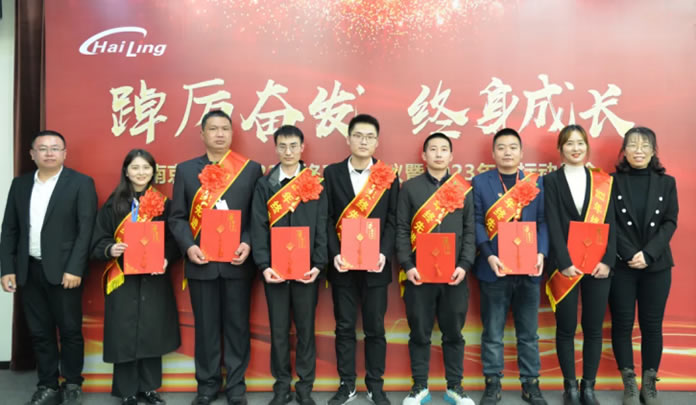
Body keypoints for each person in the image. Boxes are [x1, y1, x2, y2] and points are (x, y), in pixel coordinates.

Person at [168, 110, 263, 405]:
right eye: (213, 129)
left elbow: (257, 216)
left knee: (237, 327)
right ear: (202, 134)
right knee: (206, 328)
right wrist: (188, 247)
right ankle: (207, 386)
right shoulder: (186, 170)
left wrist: (248, 242)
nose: (219, 134)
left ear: (232, 133)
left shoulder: (250, 169)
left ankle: (235, 386)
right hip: (201, 262)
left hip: (237, 263)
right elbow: (177, 217)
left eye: (225, 128)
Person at [0, 130, 97, 405]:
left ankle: (73, 383)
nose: (49, 153)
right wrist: (7, 268)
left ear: (65, 153)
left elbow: (86, 230)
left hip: (65, 272)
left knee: (70, 331)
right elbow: (10, 229)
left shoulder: (80, 183)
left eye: (55, 148)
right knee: (40, 332)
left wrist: (75, 268)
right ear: (32, 154)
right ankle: (48, 385)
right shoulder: (20, 185)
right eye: (43, 148)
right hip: (28, 270)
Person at [90, 149, 182, 405]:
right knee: (125, 333)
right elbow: (97, 240)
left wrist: (166, 258)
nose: (141, 173)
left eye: (146, 168)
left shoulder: (163, 204)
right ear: (126, 171)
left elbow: (174, 240)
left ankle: (149, 388)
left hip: (154, 277)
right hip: (122, 277)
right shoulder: (113, 205)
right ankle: (127, 391)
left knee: (152, 331)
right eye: (135, 168)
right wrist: (111, 248)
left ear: (153, 172)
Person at [323, 114, 399, 405]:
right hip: (342, 264)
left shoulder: (387, 175)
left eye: (369, 137)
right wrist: (334, 254)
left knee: (375, 328)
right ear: (348, 139)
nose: (363, 141)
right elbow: (326, 218)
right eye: (358, 135)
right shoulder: (332, 174)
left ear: (377, 142)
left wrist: (383, 253)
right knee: (344, 327)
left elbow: (393, 219)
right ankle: (347, 384)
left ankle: (375, 385)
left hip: (375, 265)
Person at [250, 125, 328, 405]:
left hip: (307, 272)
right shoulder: (265, 184)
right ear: (275, 148)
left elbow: (322, 225)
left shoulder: (315, 183)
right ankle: (281, 385)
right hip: (276, 272)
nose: (288, 151)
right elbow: (258, 227)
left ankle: (305, 386)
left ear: (302, 148)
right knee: (279, 330)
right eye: (282, 146)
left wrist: (318, 264)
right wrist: (264, 265)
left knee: (306, 331)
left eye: (293, 145)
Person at [395, 133, 475, 405]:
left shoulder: (464, 188)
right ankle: (419, 387)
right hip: (419, 275)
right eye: (433, 149)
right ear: (424, 155)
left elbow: (470, 231)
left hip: (455, 276)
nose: (438, 154)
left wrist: (464, 265)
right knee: (419, 332)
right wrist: (408, 265)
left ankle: (455, 387)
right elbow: (401, 229)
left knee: (454, 333)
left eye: (444, 150)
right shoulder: (410, 188)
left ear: (451, 156)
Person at [472, 128, 548, 405]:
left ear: (521, 152)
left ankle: (531, 384)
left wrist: (541, 253)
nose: (507, 152)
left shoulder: (535, 183)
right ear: (493, 153)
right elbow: (476, 221)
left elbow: (543, 221)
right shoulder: (480, 182)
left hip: (528, 270)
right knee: (493, 333)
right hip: (494, 268)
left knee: (528, 333)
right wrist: (488, 255)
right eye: (501, 147)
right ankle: (492, 383)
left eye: (512, 147)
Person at [543, 125, 616, 405]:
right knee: (566, 327)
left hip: (598, 267)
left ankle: (588, 387)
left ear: (587, 146)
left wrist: (608, 261)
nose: (575, 148)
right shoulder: (550, 181)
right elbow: (552, 222)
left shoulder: (603, 182)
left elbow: (611, 224)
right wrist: (563, 262)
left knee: (593, 328)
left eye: (580, 143)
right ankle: (570, 388)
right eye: (569, 143)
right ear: (560, 149)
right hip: (565, 266)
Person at [609, 127, 678, 405]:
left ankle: (649, 385)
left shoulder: (667, 182)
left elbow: (670, 222)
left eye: (645, 145)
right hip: (622, 264)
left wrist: (648, 254)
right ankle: (629, 383)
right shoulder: (611, 182)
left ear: (653, 150)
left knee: (651, 325)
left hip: (656, 264)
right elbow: (608, 222)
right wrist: (629, 253)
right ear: (624, 151)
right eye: (633, 145)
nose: (639, 150)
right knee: (622, 324)